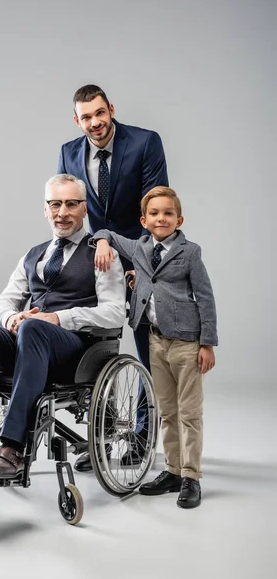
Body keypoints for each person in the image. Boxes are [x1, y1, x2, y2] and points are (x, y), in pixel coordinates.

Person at [0, 174, 126, 489]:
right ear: (45, 209)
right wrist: (12, 319)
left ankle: (11, 448)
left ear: (84, 210)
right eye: (55, 204)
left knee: (34, 329)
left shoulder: (100, 252)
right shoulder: (34, 255)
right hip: (30, 343)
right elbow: (2, 304)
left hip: (76, 351)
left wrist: (60, 319)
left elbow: (113, 312)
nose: (62, 212)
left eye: (71, 204)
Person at [57, 84, 169, 471]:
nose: (94, 123)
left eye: (99, 114)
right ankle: (100, 440)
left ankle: (140, 439)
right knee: (94, 352)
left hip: (139, 264)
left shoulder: (145, 143)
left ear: (111, 110)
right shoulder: (68, 152)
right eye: (86, 117)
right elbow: (70, 212)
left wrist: (136, 260)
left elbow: (154, 207)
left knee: (148, 355)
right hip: (95, 268)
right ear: (77, 120)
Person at [92, 186, 218, 508]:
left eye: (168, 213)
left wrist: (207, 344)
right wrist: (104, 242)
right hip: (155, 339)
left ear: (179, 219)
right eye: (154, 214)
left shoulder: (190, 252)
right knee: (166, 411)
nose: (161, 218)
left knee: (189, 412)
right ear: (144, 220)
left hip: (187, 342)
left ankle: (191, 476)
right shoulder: (139, 247)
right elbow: (104, 230)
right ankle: (172, 471)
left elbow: (205, 298)